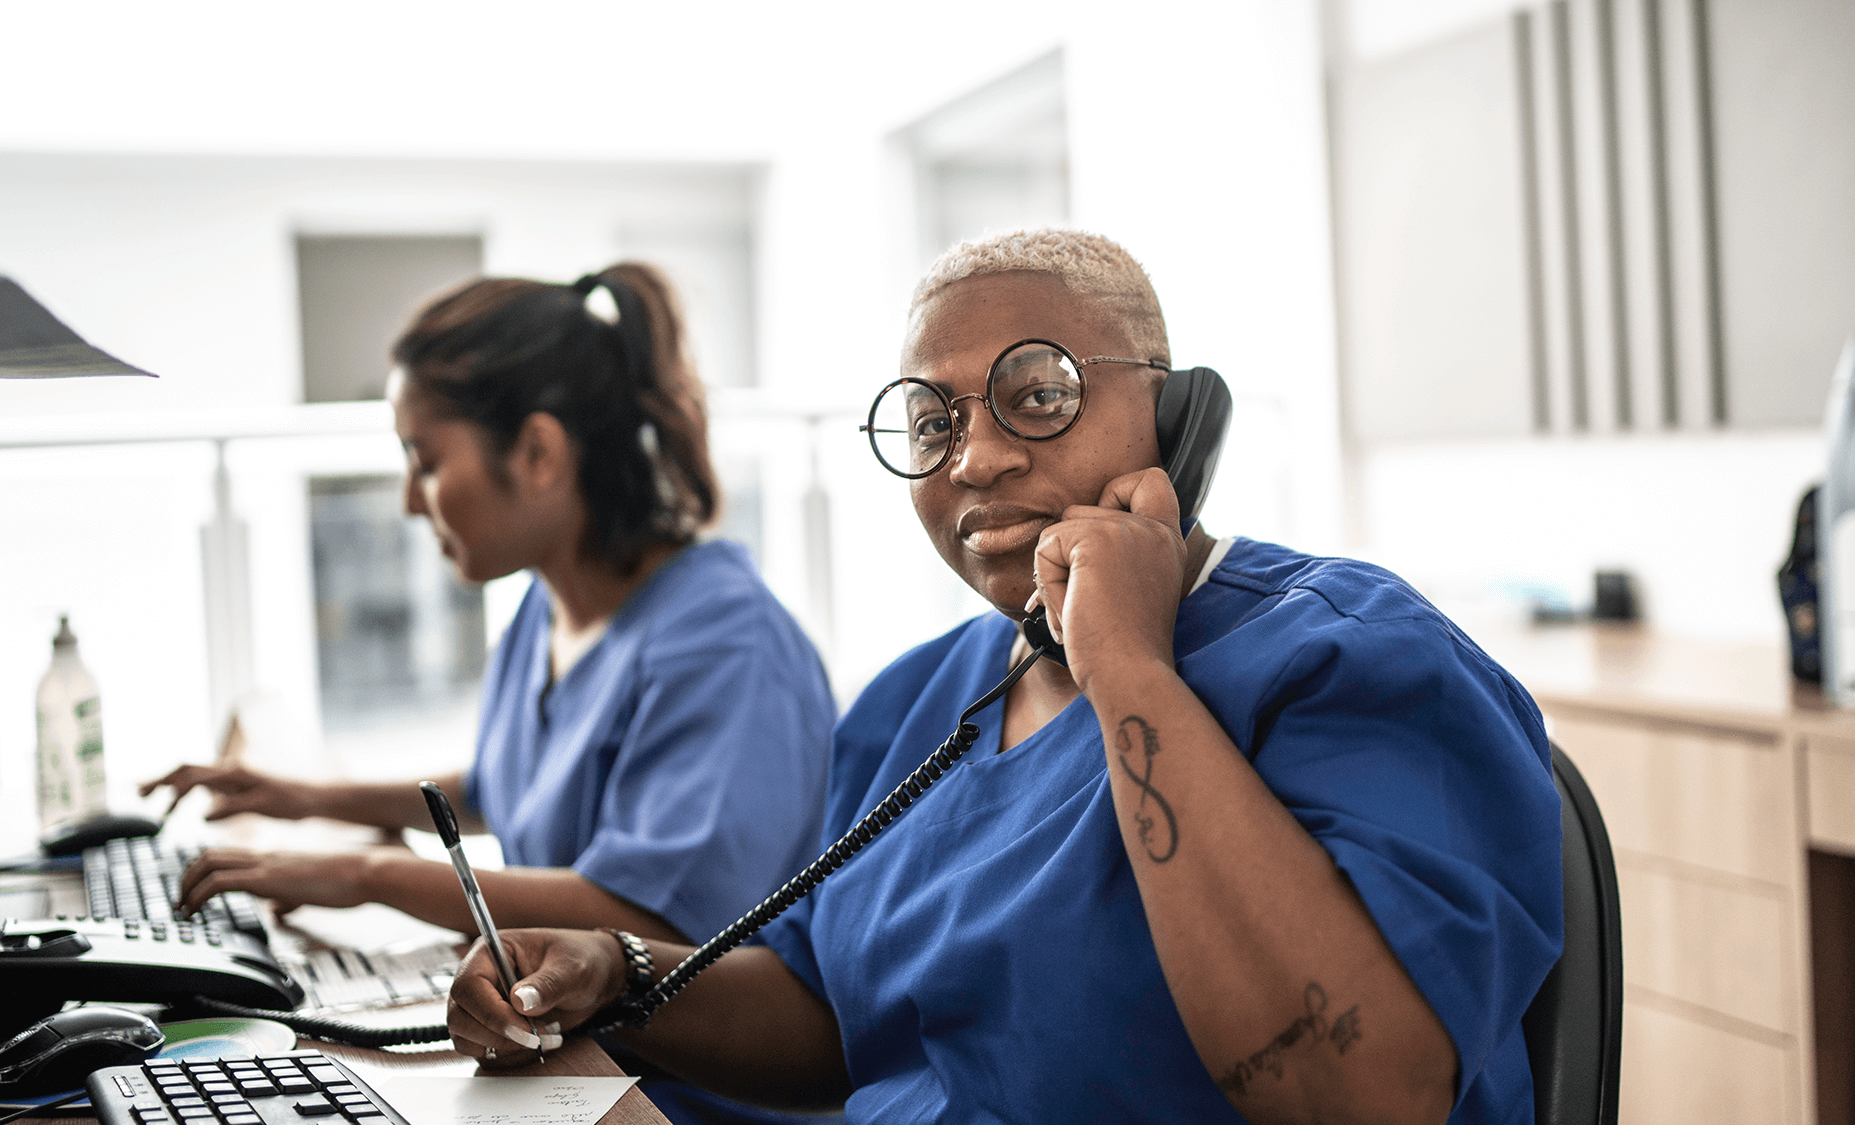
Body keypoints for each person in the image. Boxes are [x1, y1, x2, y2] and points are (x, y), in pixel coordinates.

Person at [445, 230, 1562, 1125]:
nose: (973, 459)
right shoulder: (916, 702)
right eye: (932, 423)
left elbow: (1363, 1095)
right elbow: (840, 1020)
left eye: (1038, 397)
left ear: (1176, 419)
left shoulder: (1348, 655)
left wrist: (1123, 660)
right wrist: (622, 974)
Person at [142, 261, 835, 974]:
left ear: (537, 452)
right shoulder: (550, 605)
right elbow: (514, 787)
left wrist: (365, 878)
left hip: (671, 1076)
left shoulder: (725, 642)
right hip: (563, 1025)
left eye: (427, 461)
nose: (412, 500)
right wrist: (302, 798)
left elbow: (650, 920)